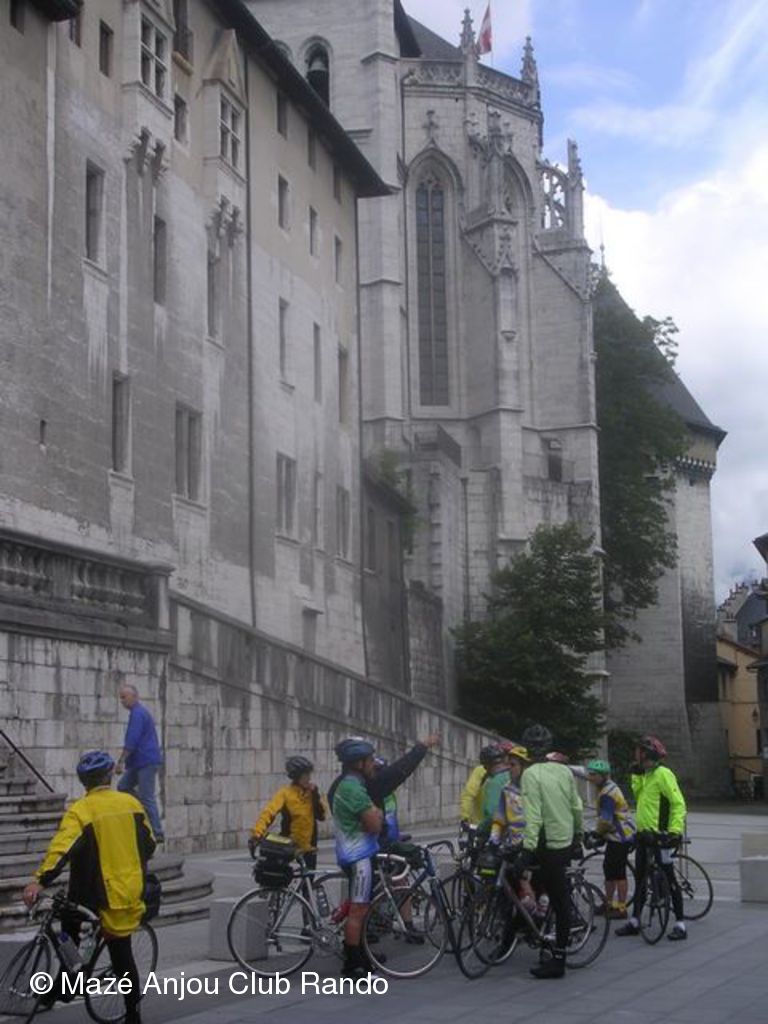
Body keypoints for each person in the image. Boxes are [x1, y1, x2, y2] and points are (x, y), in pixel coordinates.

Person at [23, 751, 155, 1024]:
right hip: (125, 888)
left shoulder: (81, 810)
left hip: (90, 892)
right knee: (119, 952)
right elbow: (150, 844)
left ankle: (78, 987)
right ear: (109, 776)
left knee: (73, 934)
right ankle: (74, 987)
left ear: (84, 782)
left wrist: (40, 880)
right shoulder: (132, 804)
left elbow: (61, 850)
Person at [519, 723, 583, 979]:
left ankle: (558, 960)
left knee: (558, 899)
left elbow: (533, 816)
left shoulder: (530, 774)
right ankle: (545, 945)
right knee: (548, 893)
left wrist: (527, 848)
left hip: (547, 844)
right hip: (565, 841)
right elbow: (576, 806)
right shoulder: (563, 771)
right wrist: (578, 835)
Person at [615, 735, 688, 941]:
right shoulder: (646, 775)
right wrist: (636, 775)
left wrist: (674, 831)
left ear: (646, 755)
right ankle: (635, 921)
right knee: (640, 879)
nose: (635, 756)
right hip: (644, 836)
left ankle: (680, 924)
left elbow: (678, 803)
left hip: (661, 836)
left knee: (670, 878)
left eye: (638, 753)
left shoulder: (663, 774)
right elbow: (639, 796)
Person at [330, 737, 383, 978]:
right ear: (358, 763)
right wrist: (376, 816)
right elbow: (375, 824)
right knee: (358, 910)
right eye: (370, 760)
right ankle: (353, 965)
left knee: (360, 907)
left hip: (356, 853)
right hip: (358, 856)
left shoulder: (351, 785)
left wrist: (374, 815)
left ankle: (361, 955)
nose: (373, 764)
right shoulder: (353, 789)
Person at [250, 756, 327, 871]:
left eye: (309, 774)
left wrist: (316, 796)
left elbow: (322, 816)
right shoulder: (285, 793)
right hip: (290, 845)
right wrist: (257, 834)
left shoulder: (311, 794)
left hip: (309, 847)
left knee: (309, 878)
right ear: (296, 776)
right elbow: (269, 812)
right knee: (281, 875)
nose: (309, 778)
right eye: (306, 775)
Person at [584, 758, 636, 919]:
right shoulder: (607, 787)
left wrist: (596, 833)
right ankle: (608, 903)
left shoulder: (607, 793)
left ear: (603, 776)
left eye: (594, 775)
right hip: (616, 835)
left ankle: (621, 908)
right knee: (609, 870)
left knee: (618, 873)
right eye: (590, 774)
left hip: (620, 837)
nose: (591, 778)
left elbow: (606, 820)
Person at [116, 679, 164, 842]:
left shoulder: (138, 714)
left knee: (147, 796)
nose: (122, 701)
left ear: (134, 696)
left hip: (145, 761)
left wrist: (120, 762)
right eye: (121, 698)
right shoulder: (138, 713)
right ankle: (140, 808)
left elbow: (132, 740)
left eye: (124, 697)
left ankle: (157, 831)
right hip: (139, 762)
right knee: (123, 786)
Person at [460, 744, 504, 826]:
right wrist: (465, 817)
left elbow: (468, 795)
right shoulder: (481, 772)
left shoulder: (507, 774)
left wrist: (464, 817)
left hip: (488, 823)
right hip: (484, 823)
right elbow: (468, 795)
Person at [477, 745, 511, 837]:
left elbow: (492, 813)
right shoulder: (512, 775)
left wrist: (481, 829)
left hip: (501, 833)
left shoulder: (495, 782)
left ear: (487, 765)